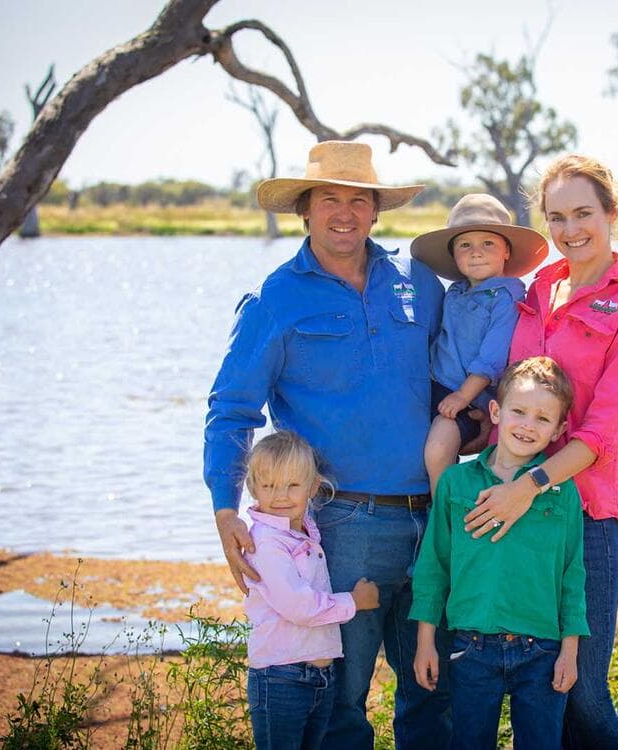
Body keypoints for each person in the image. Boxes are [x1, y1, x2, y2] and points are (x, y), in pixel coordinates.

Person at [203, 140, 450, 749]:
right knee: (342, 698)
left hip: (437, 517)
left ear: (375, 211)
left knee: (433, 691)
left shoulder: (419, 283)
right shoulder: (278, 298)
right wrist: (225, 507)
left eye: (358, 200)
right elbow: (232, 409)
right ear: (305, 212)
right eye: (329, 200)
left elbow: (461, 382)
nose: (345, 213)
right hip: (340, 524)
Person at [462, 155, 618, 750]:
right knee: (533, 685)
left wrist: (524, 489)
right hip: (512, 513)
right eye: (557, 217)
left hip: (584, 518)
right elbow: (504, 383)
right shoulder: (536, 289)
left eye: (583, 213)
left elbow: (602, 436)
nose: (571, 229)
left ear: (611, 213)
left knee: (582, 691)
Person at [409, 356, 589, 750]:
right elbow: (434, 566)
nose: (527, 425)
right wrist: (425, 642)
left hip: (542, 650)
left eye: (543, 419)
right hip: (470, 647)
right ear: (496, 411)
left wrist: (569, 651)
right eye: (519, 412)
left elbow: (572, 574)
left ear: (560, 429)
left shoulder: (562, 491)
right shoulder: (457, 483)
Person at [242, 431, 381, 750]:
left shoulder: (305, 533)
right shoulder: (266, 543)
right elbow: (299, 607)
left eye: (292, 485)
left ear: (313, 487)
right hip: (281, 677)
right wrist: (354, 602)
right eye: (268, 485)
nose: (280, 496)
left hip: (320, 678)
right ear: (253, 488)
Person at [410, 193, 548, 494]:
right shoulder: (454, 293)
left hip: (469, 397)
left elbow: (492, 358)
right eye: (465, 245)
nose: (476, 253)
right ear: (454, 256)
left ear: (506, 252)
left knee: (438, 448)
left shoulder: (506, 297)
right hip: (435, 387)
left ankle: (439, 510)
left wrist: (462, 396)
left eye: (488, 243)